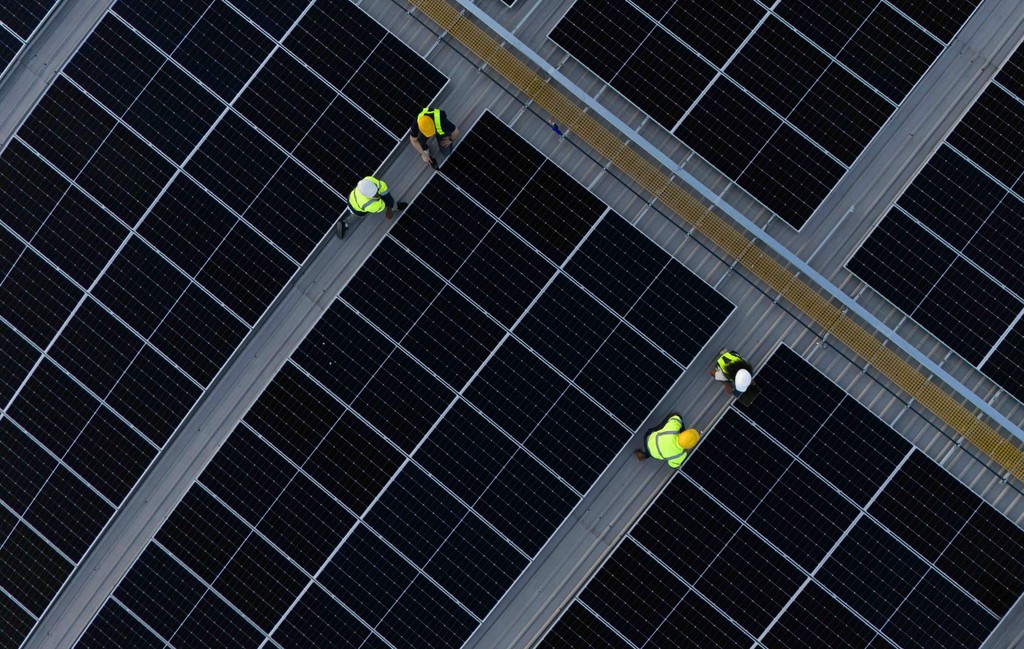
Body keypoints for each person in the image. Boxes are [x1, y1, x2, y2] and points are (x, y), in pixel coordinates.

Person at [634, 413, 700, 468]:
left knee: (676, 416)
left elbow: (676, 418)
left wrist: (681, 427)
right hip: (653, 454)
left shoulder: (673, 429)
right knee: (662, 452)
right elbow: (672, 465)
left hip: (648, 439)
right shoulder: (680, 455)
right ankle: (644, 455)